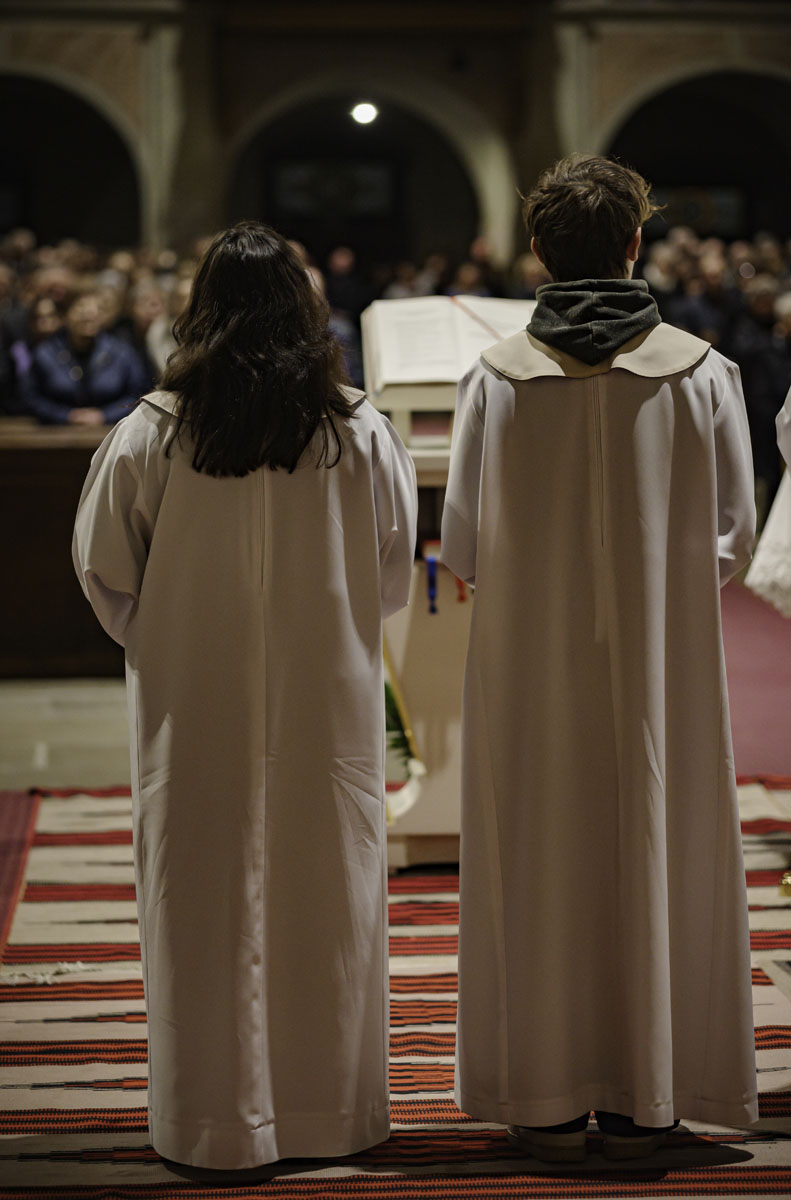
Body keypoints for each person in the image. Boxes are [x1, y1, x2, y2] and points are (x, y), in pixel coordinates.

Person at [72, 222, 417, 1171]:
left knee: (202, 897)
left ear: (202, 309)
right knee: (325, 891)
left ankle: (212, 1120)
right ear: (305, 311)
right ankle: (327, 1113)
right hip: (324, 700)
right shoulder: (356, 430)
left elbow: (106, 574)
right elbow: (390, 572)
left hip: (196, 705)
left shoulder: (154, 431)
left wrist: (174, 638)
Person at [442, 155, 757, 1163]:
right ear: (633, 243)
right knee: (658, 846)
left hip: (531, 671)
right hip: (662, 672)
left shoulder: (494, 379)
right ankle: (645, 1095)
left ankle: (541, 1094)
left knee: (539, 853)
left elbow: (465, 545)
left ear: (538, 250)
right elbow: (733, 539)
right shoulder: (701, 374)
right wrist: (652, 587)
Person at [21, 289, 149, 425]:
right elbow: (31, 397)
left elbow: (137, 395)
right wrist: (66, 416)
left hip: (112, 428)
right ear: (65, 316)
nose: (88, 315)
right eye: (80, 308)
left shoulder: (122, 352)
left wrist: (105, 415)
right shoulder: (45, 353)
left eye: (96, 310)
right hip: (55, 430)